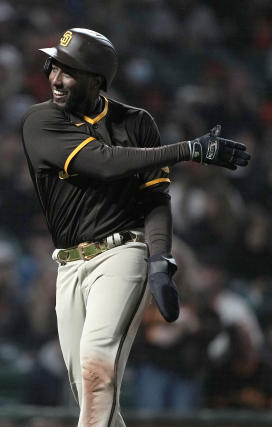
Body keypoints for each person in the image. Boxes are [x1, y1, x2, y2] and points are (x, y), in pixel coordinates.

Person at [20, 28, 250, 426]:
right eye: (53, 65)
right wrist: (189, 149)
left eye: (68, 71)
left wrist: (160, 258)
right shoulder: (40, 121)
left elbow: (155, 200)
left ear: (96, 80)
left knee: (97, 370)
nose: (55, 77)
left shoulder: (136, 122)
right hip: (69, 265)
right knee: (92, 394)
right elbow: (105, 161)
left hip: (123, 254)